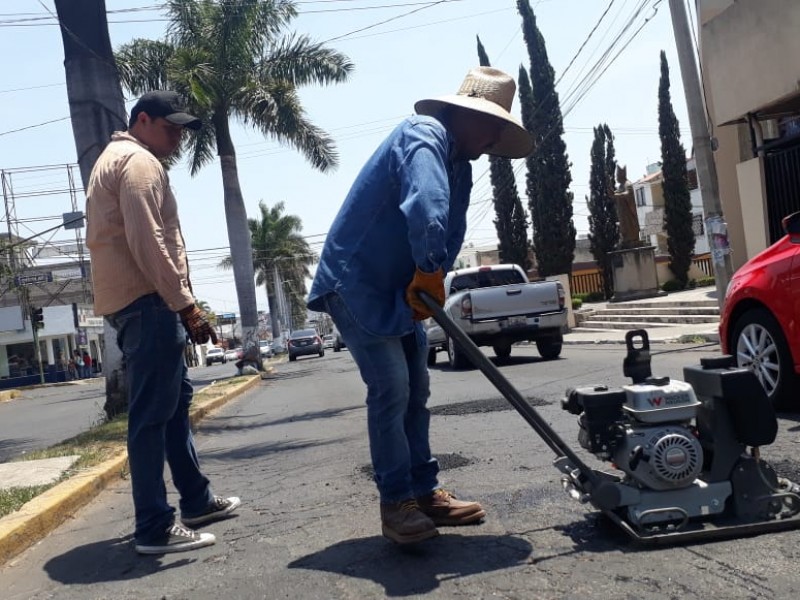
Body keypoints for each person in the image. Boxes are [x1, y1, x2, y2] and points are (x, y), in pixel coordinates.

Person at [308, 67, 533, 544]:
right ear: (463, 114)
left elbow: (449, 233)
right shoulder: (424, 135)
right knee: (391, 387)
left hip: (401, 287)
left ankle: (425, 491)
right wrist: (428, 268)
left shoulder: (462, 165)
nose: (495, 136)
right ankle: (396, 503)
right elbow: (427, 205)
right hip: (356, 281)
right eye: (491, 124)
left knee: (417, 388)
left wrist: (432, 276)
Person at [86, 90, 240, 555]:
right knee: (153, 416)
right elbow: (147, 238)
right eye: (170, 126)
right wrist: (185, 305)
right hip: (148, 302)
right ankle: (154, 526)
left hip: (142, 303)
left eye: (181, 128)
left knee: (173, 406)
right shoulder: (137, 163)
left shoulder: (118, 158)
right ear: (143, 120)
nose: (177, 136)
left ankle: (196, 500)